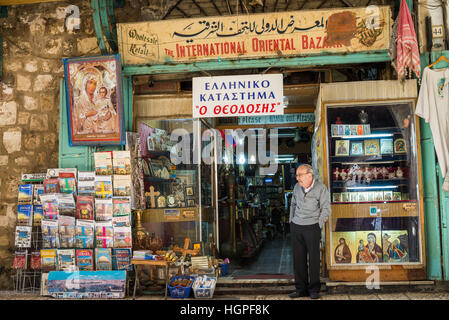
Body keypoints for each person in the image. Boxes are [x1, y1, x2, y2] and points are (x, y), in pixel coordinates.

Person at [288, 164, 330, 299]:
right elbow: (293, 204)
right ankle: (301, 289)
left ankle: (314, 290)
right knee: (298, 259)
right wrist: (291, 221)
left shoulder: (321, 189)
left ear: (309, 175)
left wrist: (319, 224)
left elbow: (326, 209)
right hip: (297, 226)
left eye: (300, 175)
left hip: (312, 226)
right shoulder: (296, 187)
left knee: (313, 259)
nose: (297, 178)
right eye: (297, 175)